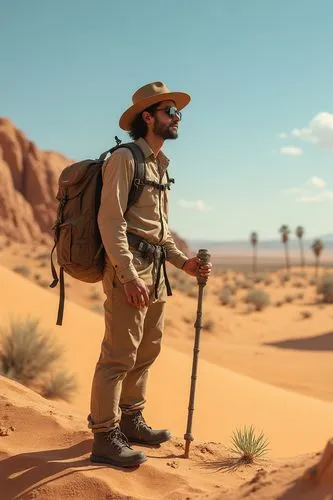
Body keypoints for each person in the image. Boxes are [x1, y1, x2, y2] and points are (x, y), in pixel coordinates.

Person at [87, 81, 212, 468]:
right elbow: (111, 222)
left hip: (155, 272)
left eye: (178, 113)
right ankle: (105, 437)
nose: (177, 119)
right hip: (131, 270)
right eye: (170, 112)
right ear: (148, 117)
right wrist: (127, 275)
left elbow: (158, 230)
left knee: (147, 350)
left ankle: (131, 419)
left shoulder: (160, 164)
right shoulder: (126, 159)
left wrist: (182, 263)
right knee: (118, 355)